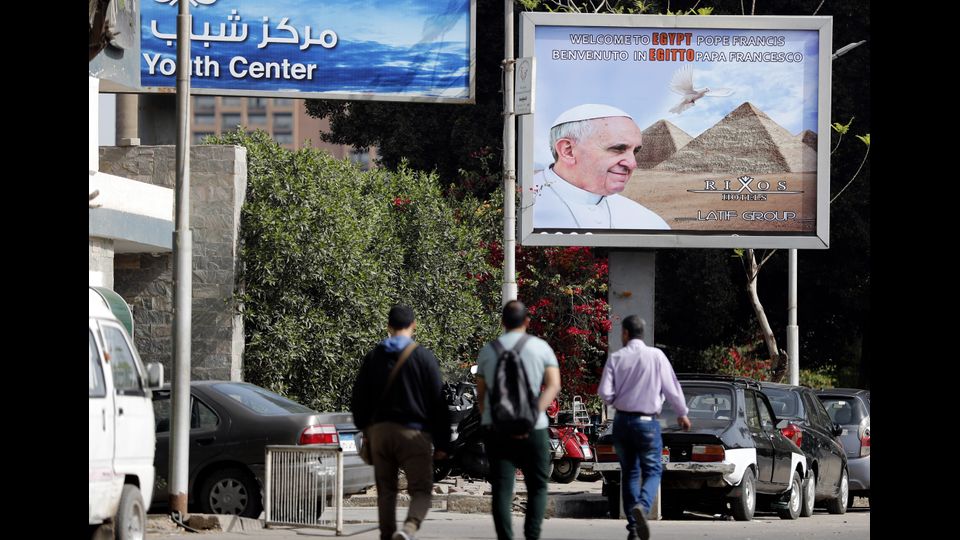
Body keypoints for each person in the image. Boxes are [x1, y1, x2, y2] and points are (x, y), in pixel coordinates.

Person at [350, 305, 451, 540]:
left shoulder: (374, 357)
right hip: (413, 434)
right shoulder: (423, 357)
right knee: (421, 489)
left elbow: (358, 397)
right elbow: (438, 402)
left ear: (388, 327)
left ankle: (387, 536)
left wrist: (365, 427)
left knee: (386, 491)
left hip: (380, 434)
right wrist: (443, 442)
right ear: (413, 326)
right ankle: (409, 529)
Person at [597, 316, 691, 540]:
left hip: (621, 422)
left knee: (629, 473)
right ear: (642, 334)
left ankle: (633, 528)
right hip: (647, 423)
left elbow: (604, 393)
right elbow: (672, 387)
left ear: (626, 334)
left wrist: (618, 399)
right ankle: (643, 504)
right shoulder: (656, 356)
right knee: (653, 470)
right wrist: (682, 414)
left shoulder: (616, 358)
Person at [476, 300, 561, 540]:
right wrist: (534, 413)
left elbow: (481, 395)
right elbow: (554, 385)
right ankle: (531, 536)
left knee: (502, 489)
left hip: (497, 428)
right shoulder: (541, 348)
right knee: (537, 488)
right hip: (534, 428)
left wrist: (489, 419)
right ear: (527, 322)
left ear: (502, 322)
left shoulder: (488, 351)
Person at [533, 104, 670, 230]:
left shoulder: (648, 222)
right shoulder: (519, 208)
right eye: (618, 149)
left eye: (635, 151)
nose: (632, 164)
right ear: (568, 151)